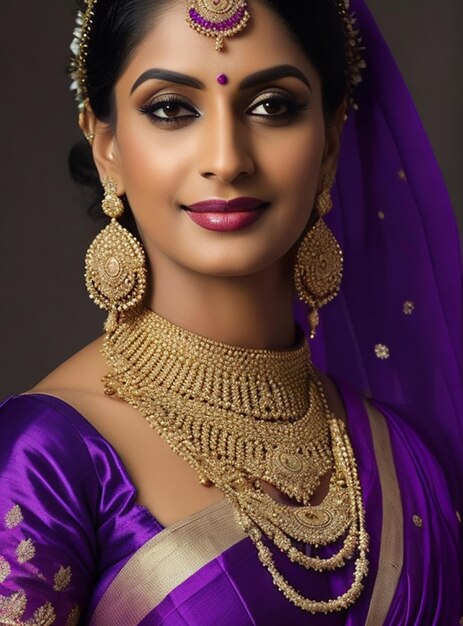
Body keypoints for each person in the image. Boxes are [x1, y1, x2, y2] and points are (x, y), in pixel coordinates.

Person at [0, 0, 461, 624]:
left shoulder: (402, 457)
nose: (227, 158)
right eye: (171, 109)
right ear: (106, 146)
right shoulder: (50, 459)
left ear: (330, 143)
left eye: (273, 105)